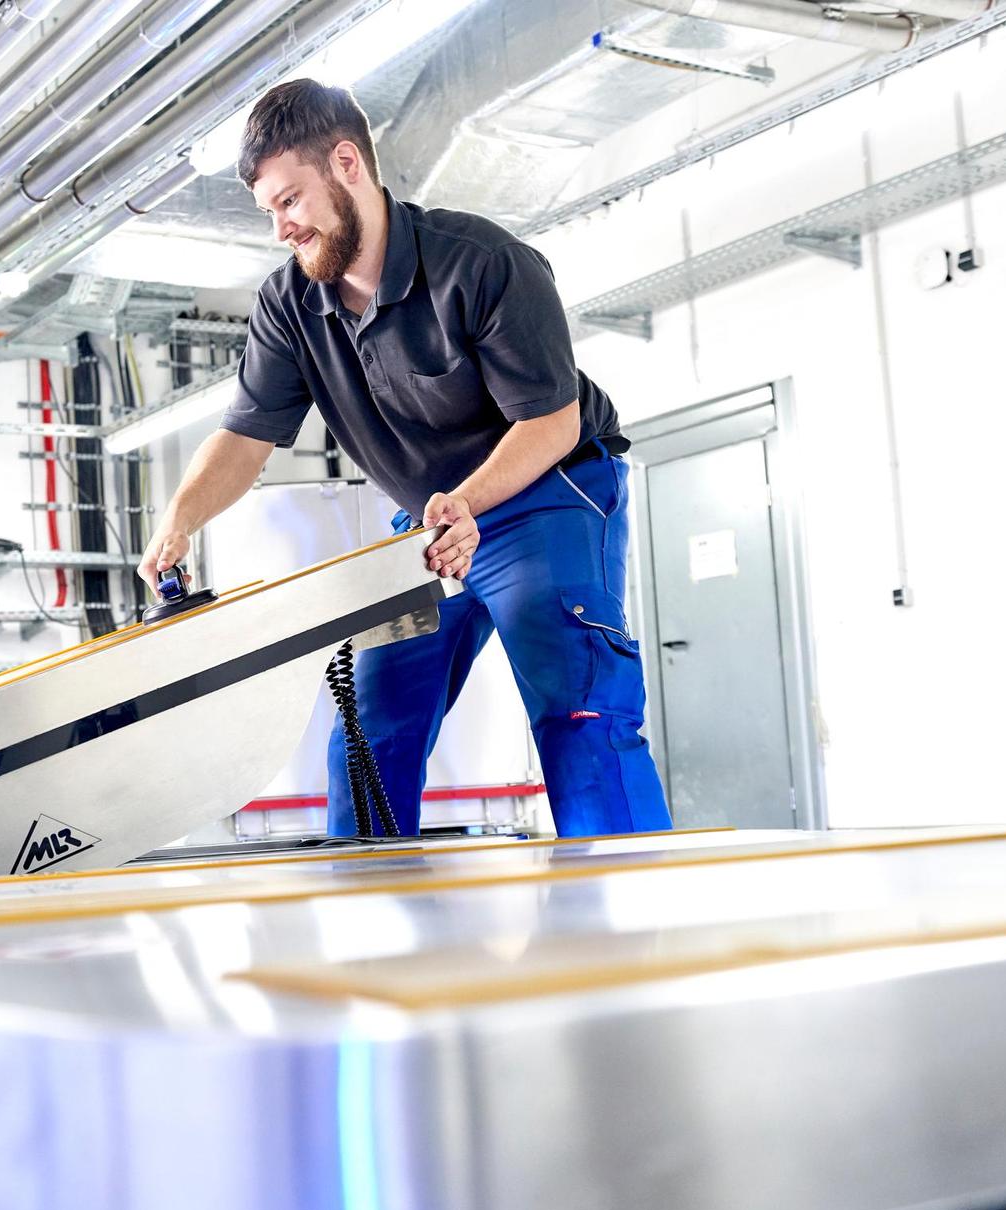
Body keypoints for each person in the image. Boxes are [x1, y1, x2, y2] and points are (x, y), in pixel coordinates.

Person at [137, 79, 671, 839]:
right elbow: (247, 434)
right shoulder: (290, 305)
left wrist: (470, 502)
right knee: (372, 732)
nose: (281, 228)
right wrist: (179, 518)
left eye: (290, 201)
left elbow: (551, 423)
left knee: (578, 712)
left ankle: (637, 927)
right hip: (429, 522)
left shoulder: (484, 263)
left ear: (347, 164)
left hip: (547, 492)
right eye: (270, 211)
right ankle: (378, 940)